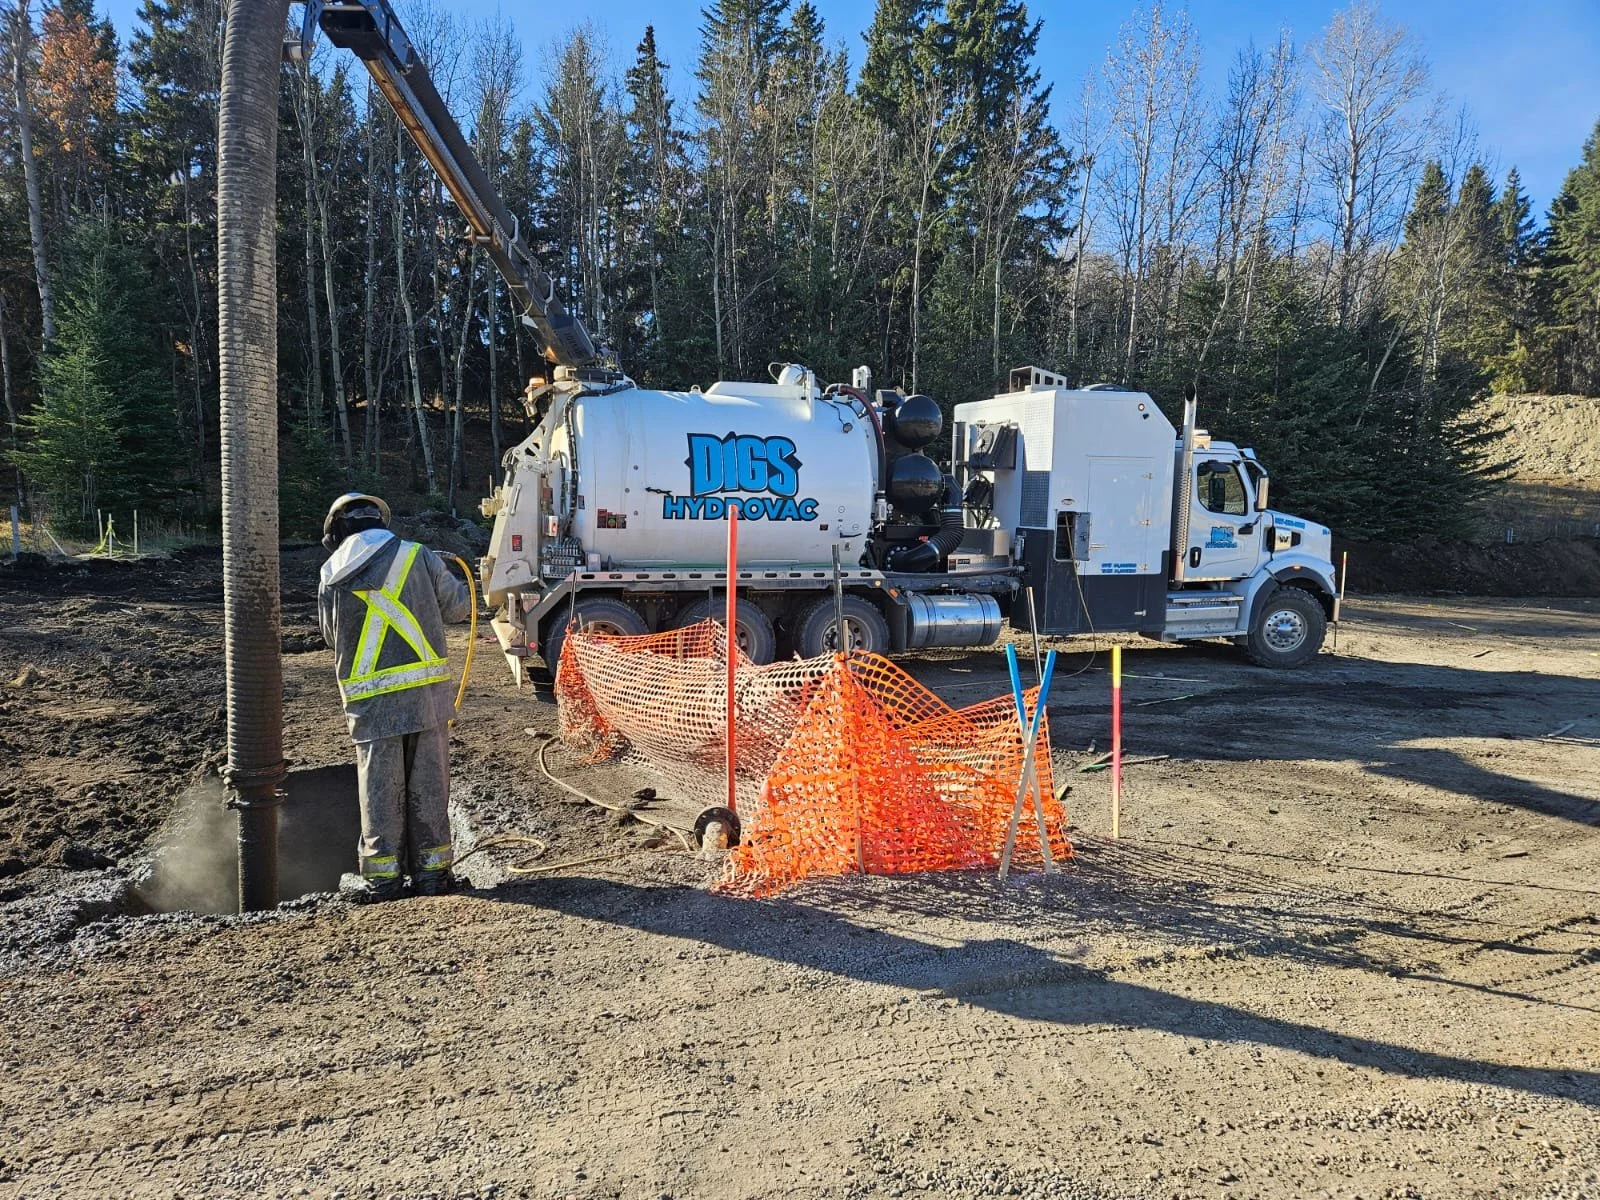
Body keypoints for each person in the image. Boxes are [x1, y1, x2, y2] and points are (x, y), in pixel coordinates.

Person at [317, 493, 472, 900]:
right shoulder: (418, 555)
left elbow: (331, 637)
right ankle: (433, 876)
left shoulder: (330, 573)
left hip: (371, 705)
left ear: (337, 532)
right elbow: (458, 609)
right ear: (381, 523)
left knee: (379, 789)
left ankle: (382, 880)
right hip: (425, 698)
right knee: (429, 786)